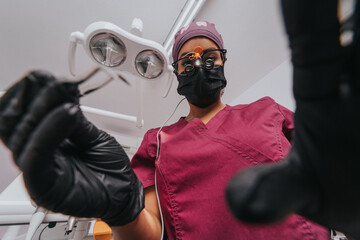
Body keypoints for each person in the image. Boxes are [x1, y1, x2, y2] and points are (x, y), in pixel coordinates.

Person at [0, 19, 331, 239]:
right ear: (176, 73)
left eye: (209, 56)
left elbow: (330, 176)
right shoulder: (158, 140)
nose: (199, 64)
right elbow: (149, 230)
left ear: (223, 62)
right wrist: (121, 209)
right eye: (187, 61)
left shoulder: (269, 110)